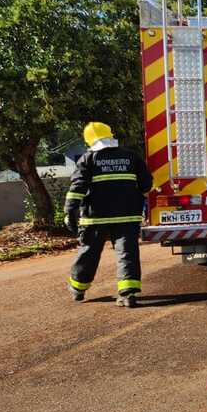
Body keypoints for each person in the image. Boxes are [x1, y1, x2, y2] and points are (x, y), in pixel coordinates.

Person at [64, 122, 153, 307]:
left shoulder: (88, 159)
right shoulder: (130, 157)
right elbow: (146, 184)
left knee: (88, 252)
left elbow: (77, 188)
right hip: (127, 216)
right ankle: (128, 294)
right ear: (110, 136)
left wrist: (69, 211)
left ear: (89, 141)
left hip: (95, 218)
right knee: (127, 254)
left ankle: (78, 289)